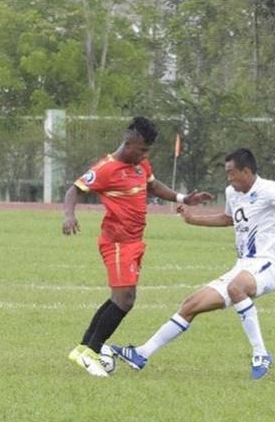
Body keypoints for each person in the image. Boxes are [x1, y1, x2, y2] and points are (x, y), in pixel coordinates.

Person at [110, 148, 275, 380]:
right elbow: (228, 219)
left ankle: (261, 353)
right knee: (190, 305)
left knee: (237, 288)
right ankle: (141, 354)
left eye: (232, 173)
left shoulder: (269, 189)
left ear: (246, 171)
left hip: (266, 265)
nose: (229, 178)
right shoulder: (232, 193)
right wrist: (192, 218)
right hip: (242, 266)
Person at [62, 116, 214, 377]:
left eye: (147, 151)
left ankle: (83, 349)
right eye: (142, 149)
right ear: (128, 142)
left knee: (120, 299)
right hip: (117, 242)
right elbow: (74, 190)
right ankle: (91, 352)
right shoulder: (106, 168)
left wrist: (183, 198)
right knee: (125, 299)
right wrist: (68, 215)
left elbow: (153, 185)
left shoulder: (140, 164)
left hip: (134, 242)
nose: (144, 155)